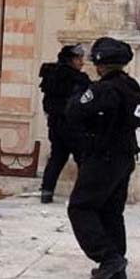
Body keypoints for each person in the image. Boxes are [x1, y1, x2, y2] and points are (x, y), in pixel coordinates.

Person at [66, 37, 140, 279]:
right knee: (110, 212)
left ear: (100, 65)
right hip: (124, 156)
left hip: (102, 157)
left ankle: (108, 257)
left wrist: (80, 94)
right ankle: (116, 270)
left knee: (80, 208)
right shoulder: (133, 87)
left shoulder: (103, 90)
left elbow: (74, 111)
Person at [38, 44, 91, 203]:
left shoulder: (51, 76)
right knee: (83, 159)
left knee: (57, 158)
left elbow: (47, 102)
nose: (81, 62)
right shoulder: (78, 79)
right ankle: (84, 196)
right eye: (78, 58)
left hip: (55, 125)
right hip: (73, 126)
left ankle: (46, 193)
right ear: (70, 60)